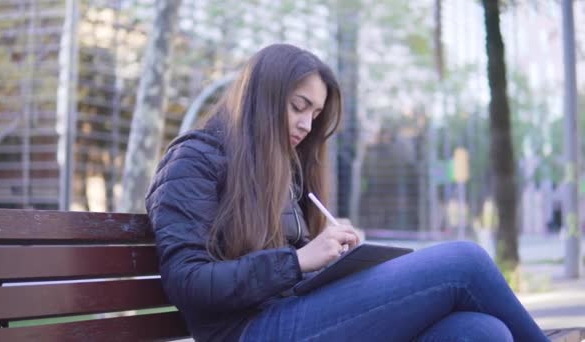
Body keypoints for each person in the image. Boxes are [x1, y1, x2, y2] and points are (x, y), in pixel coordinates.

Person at [145, 44, 549, 342]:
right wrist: (298, 260)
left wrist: (336, 262)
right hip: (246, 332)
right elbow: (188, 282)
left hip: (288, 315)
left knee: (479, 332)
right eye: (297, 106)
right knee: (464, 260)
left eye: (314, 114)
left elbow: (289, 271)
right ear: (262, 98)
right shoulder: (194, 159)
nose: (305, 125)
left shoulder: (280, 170)